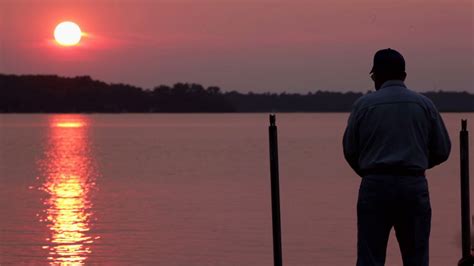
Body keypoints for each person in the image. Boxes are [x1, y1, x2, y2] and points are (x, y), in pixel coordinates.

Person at [343, 48, 451, 266]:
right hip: (413, 184)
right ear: (404, 75)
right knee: (416, 258)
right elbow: (442, 149)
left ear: (378, 75)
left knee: (370, 258)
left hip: (375, 185)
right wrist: (415, 164)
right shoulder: (424, 105)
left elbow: (350, 150)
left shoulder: (364, 105)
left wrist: (369, 170)